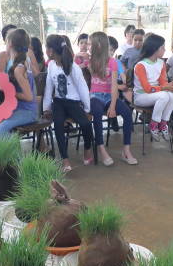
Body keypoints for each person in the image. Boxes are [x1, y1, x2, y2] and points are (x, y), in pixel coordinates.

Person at [43, 34, 94, 172]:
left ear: (51, 51)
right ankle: (65, 159)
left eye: (46, 47)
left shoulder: (73, 67)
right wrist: (46, 108)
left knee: (85, 124)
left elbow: (82, 88)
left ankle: (87, 149)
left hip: (73, 102)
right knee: (58, 125)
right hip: (58, 102)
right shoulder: (51, 65)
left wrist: (87, 108)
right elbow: (49, 88)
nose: (46, 50)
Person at [88, 32, 137, 166]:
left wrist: (113, 106)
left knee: (127, 113)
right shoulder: (89, 60)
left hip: (109, 95)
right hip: (94, 96)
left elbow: (114, 86)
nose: (87, 46)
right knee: (97, 113)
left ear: (98, 45)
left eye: (90, 44)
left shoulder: (112, 62)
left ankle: (126, 150)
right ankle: (101, 148)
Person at [0, 29, 37, 140]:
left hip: (27, 111)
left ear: (10, 43)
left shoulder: (19, 68)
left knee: (0, 129)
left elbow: (29, 97)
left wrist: (9, 91)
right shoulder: (14, 61)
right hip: (13, 108)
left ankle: (13, 151)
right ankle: (5, 148)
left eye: (6, 42)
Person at [131, 34, 173, 141]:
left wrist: (172, 86)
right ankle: (153, 124)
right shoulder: (140, 65)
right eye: (162, 47)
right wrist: (165, 87)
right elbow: (147, 89)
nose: (164, 49)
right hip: (141, 96)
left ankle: (163, 123)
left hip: (156, 94)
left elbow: (163, 82)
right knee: (164, 96)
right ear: (155, 48)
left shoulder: (161, 63)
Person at [108, 36, 132, 104]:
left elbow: (122, 75)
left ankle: (136, 106)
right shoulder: (100, 63)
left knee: (128, 91)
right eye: (110, 50)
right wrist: (118, 87)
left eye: (113, 51)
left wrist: (126, 83)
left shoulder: (117, 62)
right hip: (108, 85)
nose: (112, 53)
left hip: (118, 82)